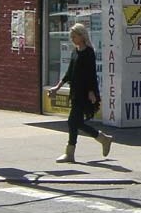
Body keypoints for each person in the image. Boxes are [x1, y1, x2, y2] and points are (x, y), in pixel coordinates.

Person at [46, 23, 113, 163]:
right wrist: (57, 87)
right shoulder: (75, 51)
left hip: (85, 93)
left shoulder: (89, 52)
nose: (72, 38)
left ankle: (71, 153)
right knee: (76, 122)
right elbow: (69, 73)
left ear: (82, 36)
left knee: (73, 122)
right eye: (71, 36)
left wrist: (91, 92)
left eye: (74, 36)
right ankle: (103, 139)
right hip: (75, 91)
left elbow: (90, 74)